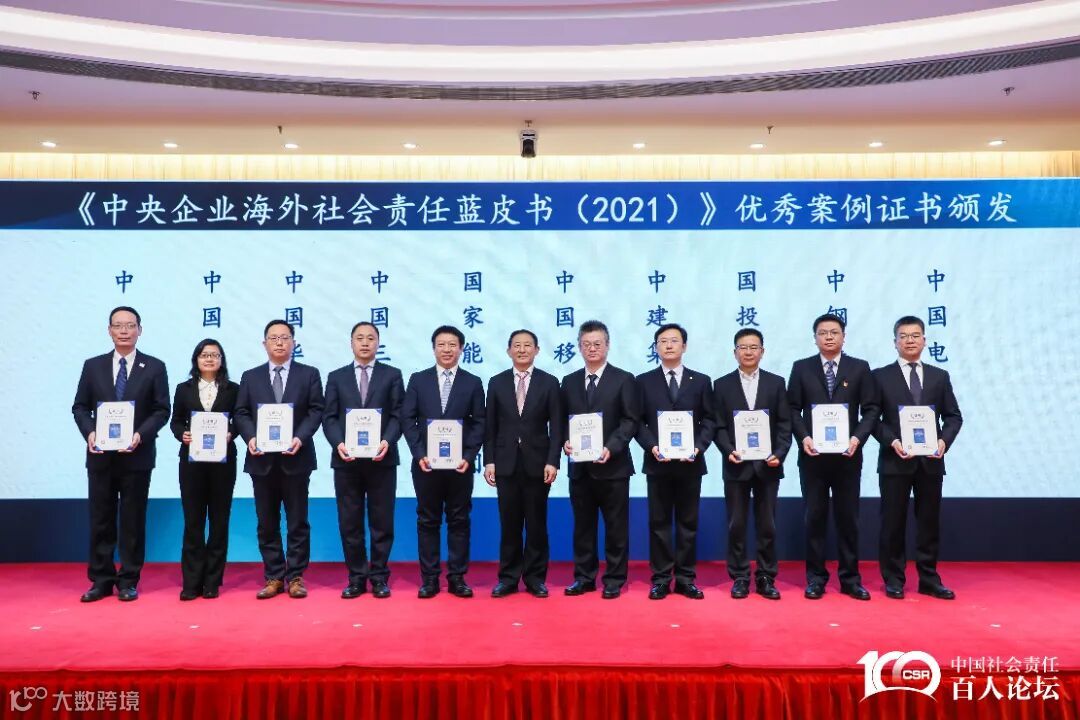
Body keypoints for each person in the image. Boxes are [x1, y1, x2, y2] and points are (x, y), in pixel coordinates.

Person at [71, 306, 170, 602]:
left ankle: (128, 579)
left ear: (140, 329)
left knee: (132, 520)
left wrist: (140, 435)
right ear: (109, 330)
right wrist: (90, 433)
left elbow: (162, 409)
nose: (124, 331)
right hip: (100, 455)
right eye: (118, 325)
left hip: (136, 455)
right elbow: (80, 407)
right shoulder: (93, 366)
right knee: (100, 518)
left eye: (130, 325)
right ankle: (101, 580)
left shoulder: (154, 367)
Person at [788, 313, 879, 600]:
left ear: (843, 336)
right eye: (823, 333)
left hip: (847, 457)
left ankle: (850, 579)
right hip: (813, 457)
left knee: (848, 519)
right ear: (815, 338)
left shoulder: (859, 368)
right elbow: (792, 409)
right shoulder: (801, 368)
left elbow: (872, 409)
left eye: (834, 332)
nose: (828, 337)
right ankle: (815, 578)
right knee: (814, 518)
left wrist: (857, 438)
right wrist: (804, 437)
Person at [872, 316, 963, 600]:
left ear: (924, 340)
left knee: (929, 522)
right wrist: (892, 441)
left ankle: (929, 578)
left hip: (930, 461)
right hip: (895, 460)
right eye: (904, 336)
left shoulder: (939, 376)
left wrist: (943, 441)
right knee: (893, 523)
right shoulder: (880, 376)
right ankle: (893, 578)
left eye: (915, 335)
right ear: (895, 342)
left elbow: (953, 417)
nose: (909, 340)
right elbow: (872, 419)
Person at [234, 320, 324, 600]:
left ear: (293, 343)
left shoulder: (309, 374)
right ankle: (273, 575)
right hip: (261, 460)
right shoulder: (250, 376)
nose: (279, 342)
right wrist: (250, 437)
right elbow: (241, 412)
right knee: (266, 522)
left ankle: (295, 576)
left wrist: (300, 437)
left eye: (285, 337)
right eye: (273, 338)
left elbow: (316, 410)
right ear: (265, 344)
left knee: (298, 521)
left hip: (296, 458)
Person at [322, 321, 405, 600]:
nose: (365, 342)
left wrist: (387, 441)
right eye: (360, 338)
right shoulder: (336, 377)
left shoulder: (392, 375)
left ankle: (379, 576)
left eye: (371, 338)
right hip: (346, 460)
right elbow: (329, 417)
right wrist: (339, 443)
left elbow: (398, 415)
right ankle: (356, 578)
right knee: (350, 522)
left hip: (382, 459)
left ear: (378, 343)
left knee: (382, 521)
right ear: (351, 343)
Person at [402, 325, 486, 599]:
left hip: (460, 466)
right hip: (426, 465)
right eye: (441, 344)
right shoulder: (418, 380)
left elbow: (479, 423)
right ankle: (429, 579)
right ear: (433, 348)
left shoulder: (473, 382)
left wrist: (469, 456)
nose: (447, 349)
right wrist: (419, 454)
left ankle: (457, 578)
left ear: (461, 349)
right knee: (427, 520)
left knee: (459, 520)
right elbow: (408, 420)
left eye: (452, 345)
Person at [561, 320, 641, 599]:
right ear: (579, 347)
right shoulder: (569, 382)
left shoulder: (624, 379)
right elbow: (562, 421)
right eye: (586, 344)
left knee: (616, 528)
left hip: (614, 467)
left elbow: (630, 420)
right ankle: (584, 578)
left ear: (607, 346)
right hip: (580, 469)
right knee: (583, 527)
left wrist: (612, 447)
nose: (592, 349)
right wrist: (565, 441)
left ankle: (615, 579)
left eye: (597, 344)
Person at [634, 323, 715, 600]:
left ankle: (685, 579)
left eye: (674, 340)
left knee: (687, 523)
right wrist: (652, 446)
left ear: (684, 346)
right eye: (663, 341)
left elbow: (710, 420)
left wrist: (699, 447)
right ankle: (660, 579)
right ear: (656, 347)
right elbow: (637, 421)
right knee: (659, 523)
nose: (668, 345)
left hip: (690, 463)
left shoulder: (701, 380)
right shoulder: (643, 381)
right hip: (658, 462)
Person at [713, 328, 792, 600]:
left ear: (762, 351)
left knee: (767, 525)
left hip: (768, 465)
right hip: (736, 465)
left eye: (753, 347)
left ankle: (766, 576)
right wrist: (728, 450)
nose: (748, 352)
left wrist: (779, 453)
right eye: (743, 347)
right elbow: (718, 425)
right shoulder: (721, 385)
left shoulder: (776, 383)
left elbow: (784, 424)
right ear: (734, 352)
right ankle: (740, 576)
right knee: (736, 525)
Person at [484, 329, 563, 599]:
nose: (522, 350)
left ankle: (535, 578)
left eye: (527, 345)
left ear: (537, 350)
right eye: (516, 345)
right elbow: (490, 427)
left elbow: (557, 427)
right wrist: (489, 461)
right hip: (505, 464)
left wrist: (553, 461)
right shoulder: (496, 382)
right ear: (509, 351)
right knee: (510, 524)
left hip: (538, 464)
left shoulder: (549, 382)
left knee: (537, 524)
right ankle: (507, 578)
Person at [169, 338, 239, 601]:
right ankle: (191, 582)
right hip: (192, 463)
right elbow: (176, 421)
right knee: (193, 522)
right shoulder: (183, 389)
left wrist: (232, 432)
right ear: (196, 359)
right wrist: (182, 434)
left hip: (223, 463)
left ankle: (212, 581)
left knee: (219, 522)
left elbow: (241, 419)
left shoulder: (234, 389)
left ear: (222, 360)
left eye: (215, 355)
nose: (209, 359)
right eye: (204, 355)